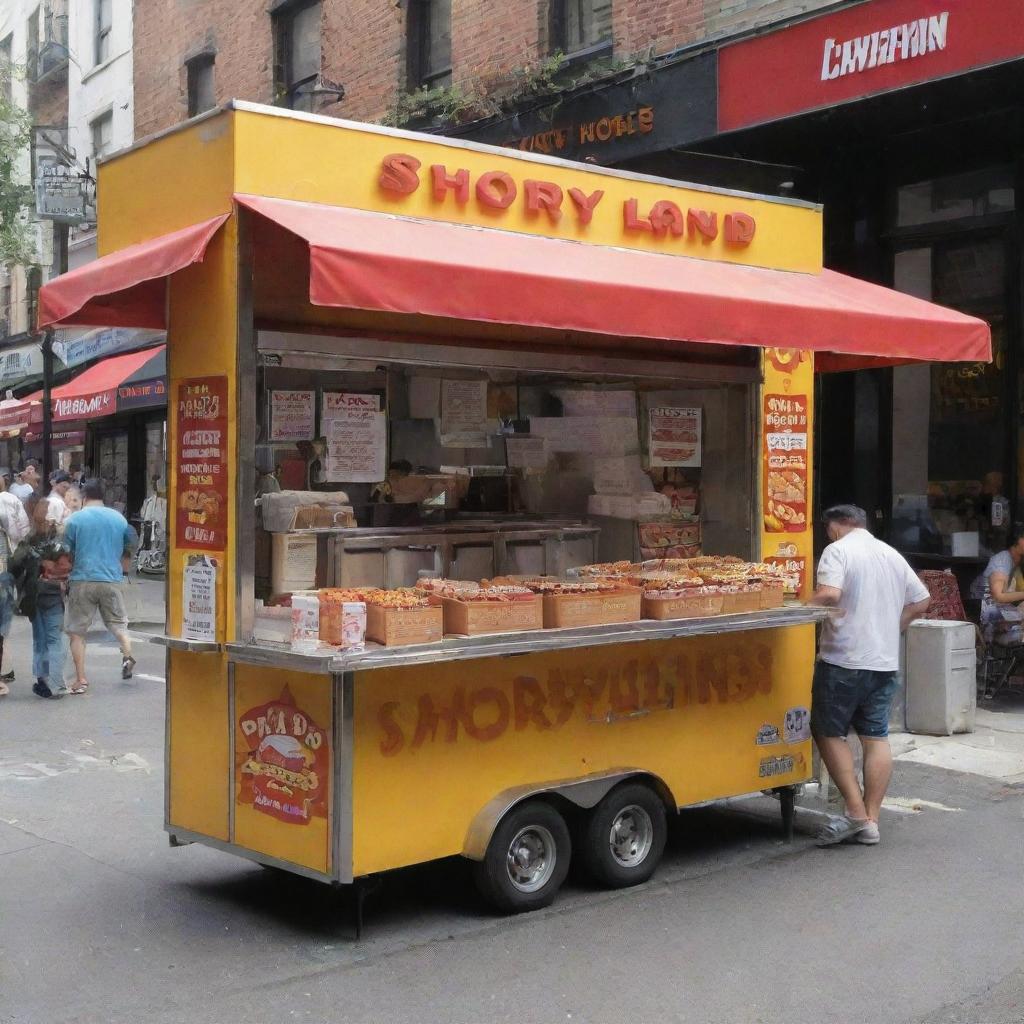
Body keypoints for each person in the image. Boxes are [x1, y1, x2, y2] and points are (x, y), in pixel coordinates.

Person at [809, 504, 931, 847]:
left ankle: (855, 812)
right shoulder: (889, 553)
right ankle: (872, 821)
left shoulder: (837, 551)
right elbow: (922, 601)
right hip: (883, 661)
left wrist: (802, 609)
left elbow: (830, 594)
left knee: (828, 731)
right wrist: (893, 628)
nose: (828, 534)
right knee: (875, 736)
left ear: (836, 525)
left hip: (844, 660)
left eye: (828, 528)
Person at [63, 478, 139, 693]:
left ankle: (81, 679)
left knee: (77, 632)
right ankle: (127, 653)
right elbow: (131, 545)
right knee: (118, 624)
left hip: (82, 579)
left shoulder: (75, 520)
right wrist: (123, 566)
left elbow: (65, 550)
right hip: (111, 579)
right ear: (103, 496)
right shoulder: (119, 519)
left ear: (84, 497)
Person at [10, 496, 72, 699]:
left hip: (34, 595)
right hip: (55, 592)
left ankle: (42, 680)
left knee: (40, 639)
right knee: (55, 638)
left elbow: (14, 565)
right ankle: (57, 684)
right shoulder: (61, 539)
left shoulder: (30, 538)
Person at [0, 471, 30, 694]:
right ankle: (6, 669)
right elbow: (21, 532)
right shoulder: (9, 500)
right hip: (4, 569)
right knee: (3, 625)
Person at [973, 525, 1024, 644]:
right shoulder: (1002, 561)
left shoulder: (1016, 563)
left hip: (998, 608)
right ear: (1017, 541)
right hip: (985, 609)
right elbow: (998, 596)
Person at [46, 469, 73, 533]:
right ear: (54, 483)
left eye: (68, 483)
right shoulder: (56, 502)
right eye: (64, 485)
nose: (67, 486)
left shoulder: (53, 500)